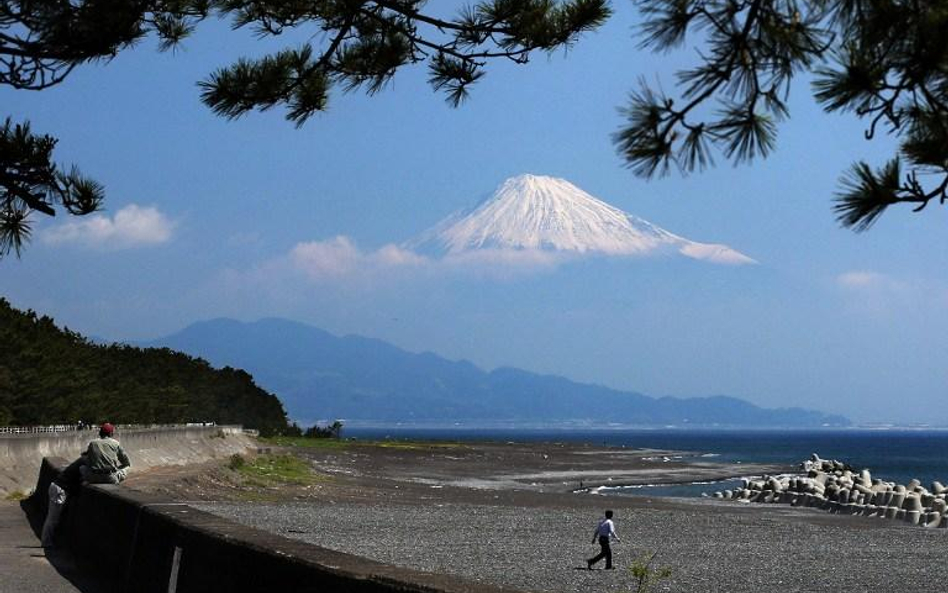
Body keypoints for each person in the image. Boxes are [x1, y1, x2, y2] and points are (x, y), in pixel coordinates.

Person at [40, 457, 84, 548]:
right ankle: (46, 542)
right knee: (53, 519)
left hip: (57, 488)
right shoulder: (85, 463)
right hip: (59, 490)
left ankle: (48, 541)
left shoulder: (81, 460)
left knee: (54, 518)